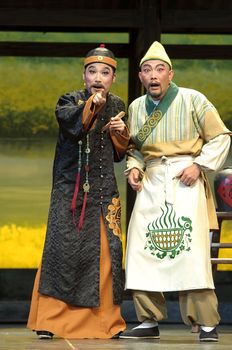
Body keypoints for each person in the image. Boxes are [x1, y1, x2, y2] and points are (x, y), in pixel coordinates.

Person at [119, 41, 231, 342]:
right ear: (141, 77)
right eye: (146, 70)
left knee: (190, 252)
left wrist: (200, 166)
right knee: (142, 249)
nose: (153, 75)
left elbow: (220, 137)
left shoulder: (193, 99)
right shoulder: (136, 107)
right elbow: (136, 150)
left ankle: (206, 321)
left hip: (186, 179)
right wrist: (134, 168)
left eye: (159, 69)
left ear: (170, 73)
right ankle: (148, 319)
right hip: (153, 181)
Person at [27, 44, 130, 339]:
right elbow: (74, 125)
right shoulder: (69, 100)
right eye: (92, 71)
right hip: (69, 187)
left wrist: (120, 131)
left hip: (103, 191)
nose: (98, 77)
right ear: (84, 75)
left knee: (107, 254)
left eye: (105, 72)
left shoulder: (118, 104)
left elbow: (121, 152)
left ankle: (106, 324)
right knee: (62, 251)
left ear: (113, 78)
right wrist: (94, 105)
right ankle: (50, 321)